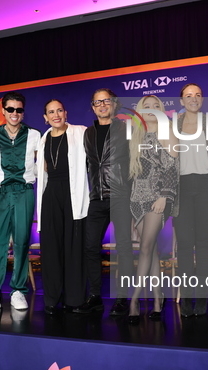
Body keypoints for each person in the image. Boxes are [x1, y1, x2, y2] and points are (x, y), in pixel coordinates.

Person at [0, 91, 41, 314]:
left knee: (22, 242)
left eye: (18, 109)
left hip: (24, 191)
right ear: (3, 111)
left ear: (23, 112)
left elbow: (44, 165)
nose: (14, 113)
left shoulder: (34, 135)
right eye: (10, 109)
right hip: (1, 193)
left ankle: (18, 291)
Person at [73, 89, 134, 315]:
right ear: (92, 106)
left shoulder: (126, 129)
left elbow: (137, 161)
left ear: (114, 104)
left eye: (105, 101)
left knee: (124, 248)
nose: (101, 105)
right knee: (90, 247)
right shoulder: (87, 133)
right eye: (97, 102)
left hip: (120, 194)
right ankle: (95, 296)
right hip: (96, 197)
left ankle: (122, 300)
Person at [173, 83, 208, 318]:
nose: (193, 99)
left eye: (197, 95)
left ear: (202, 99)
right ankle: (186, 298)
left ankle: (201, 298)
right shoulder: (173, 124)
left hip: (207, 186)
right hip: (181, 187)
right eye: (188, 96)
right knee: (184, 245)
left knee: (204, 244)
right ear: (181, 101)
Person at [128, 95, 179, 324]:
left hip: (157, 199)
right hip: (135, 199)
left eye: (155, 106)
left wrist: (164, 197)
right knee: (153, 251)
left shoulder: (167, 132)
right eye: (146, 107)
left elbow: (172, 168)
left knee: (145, 247)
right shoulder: (136, 135)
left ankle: (135, 299)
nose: (151, 110)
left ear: (162, 110)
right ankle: (158, 299)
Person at [36, 99, 89, 315]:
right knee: (51, 247)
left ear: (66, 113)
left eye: (59, 110)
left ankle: (74, 299)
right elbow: (42, 169)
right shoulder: (43, 138)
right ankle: (51, 299)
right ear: (45, 117)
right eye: (51, 112)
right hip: (51, 195)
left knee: (74, 246)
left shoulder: (81, 132)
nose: (56, 114)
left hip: (74, 193)